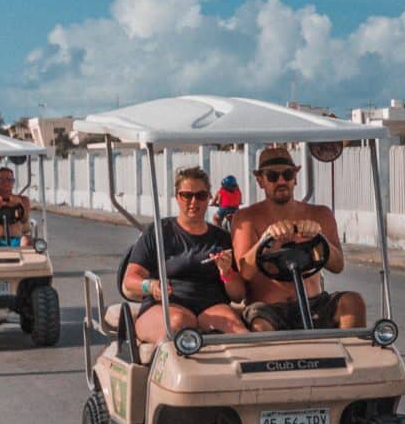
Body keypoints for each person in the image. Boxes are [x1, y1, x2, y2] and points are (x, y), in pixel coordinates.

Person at [229, 145, 365, 331]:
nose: (281, 181)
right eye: (272, 176)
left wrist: (319, 238)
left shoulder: (320, 214)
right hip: (267, 309)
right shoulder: (246, 218)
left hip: (314, 303)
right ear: (260, 181)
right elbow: (245, 272)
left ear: (296, 179)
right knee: (260, 326)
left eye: (287, 174)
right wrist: (266, 241)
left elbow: (337, 265)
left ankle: (351, 356)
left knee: (353, 302)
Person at [123, 165, 250, 347]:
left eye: (201, 195)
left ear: (208, 199)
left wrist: (226, 271)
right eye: (187, 195)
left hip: (211, 305)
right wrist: (150, 285)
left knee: (239, 332)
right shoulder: (158, 233)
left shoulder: (221, 238)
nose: (194, 202)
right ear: (177, 197)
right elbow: (129, 279)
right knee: (177, 324)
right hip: (166, 305)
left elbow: (238, 295)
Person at [0, 165, 34, 245]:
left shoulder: (23, 200)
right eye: (1, 179)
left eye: (9, 179)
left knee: (27, 241)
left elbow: (25, 220)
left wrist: (20, 204)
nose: (6, 182)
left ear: (13, 182)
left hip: (16, 239)